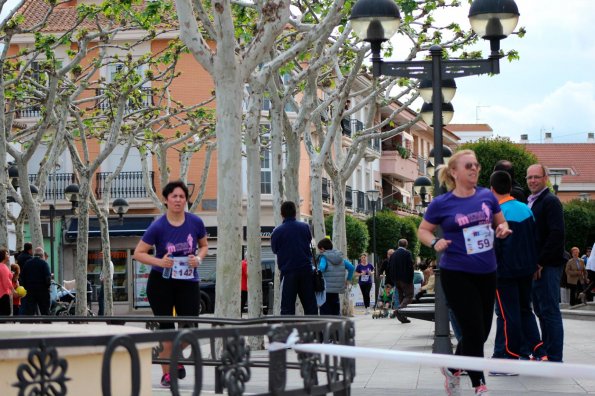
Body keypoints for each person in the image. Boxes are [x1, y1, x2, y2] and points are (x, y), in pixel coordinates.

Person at [418, 149, 512, 396]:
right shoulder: (442, 203)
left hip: (487, 271)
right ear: (454, 172)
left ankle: (453, 366)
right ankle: (479, 383)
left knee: (482, 330)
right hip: (456, 273)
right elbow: (423, 230)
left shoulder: (487, 197)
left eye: (476, 165)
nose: (474, 169)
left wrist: (502, 229)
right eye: (468, 165)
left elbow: (500, 222)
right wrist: (434, 242)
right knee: (472, 329)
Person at [133, 180, 208, 388]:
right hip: (161, 282)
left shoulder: (195, 222)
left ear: (186, 200)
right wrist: (160, 261)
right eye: (174, 196)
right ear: (166, 200)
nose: (178, 200)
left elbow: (204, 246)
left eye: (182, 196)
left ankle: (175, 357)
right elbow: (138, 253)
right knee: (167, 328)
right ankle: (167, 374)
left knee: (190, 328)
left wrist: (198, 259)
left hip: (188, 281)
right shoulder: (158, 225)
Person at [489, 170, 545, 370]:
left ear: (491, 189)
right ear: (510, 188)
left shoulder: (495, 214)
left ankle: (510, 359)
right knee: (525, 310)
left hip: (504, 273)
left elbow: (492, 246)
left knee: (508, 315)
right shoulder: (526, 209)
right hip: (526, 270)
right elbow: (535, 239)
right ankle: (539, 351)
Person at [526, 164, 566, 362]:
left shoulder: (550, 201)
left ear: (545, 178)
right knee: (541, 311)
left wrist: (540, 261)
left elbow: (557, 234)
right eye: (529, 178)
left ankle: (555, 357)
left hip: (548, 266)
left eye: (536, 177)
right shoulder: (532, 201)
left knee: (550, 311)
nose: (532, 181)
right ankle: (547, 353)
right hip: (537, 265)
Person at [270, 201, 318, 315]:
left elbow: (274, 250)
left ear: (282, 214)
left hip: (288, 272)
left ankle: (289, 332)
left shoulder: (277, 232)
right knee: (310, 306)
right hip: (306, 271)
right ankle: (315, 332)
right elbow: (308, 242)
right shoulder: (305, 227)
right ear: (295, 213)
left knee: (287, 307)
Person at [316, 238, 354, 316]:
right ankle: (336, 327)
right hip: (336, 289)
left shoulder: (323, 257)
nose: (319, 251)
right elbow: (351, 267)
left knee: (325, 312)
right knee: (335, 311)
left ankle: (326, 327)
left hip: (326, 289)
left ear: (322, 249)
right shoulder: (340, 258)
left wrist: (317, 270)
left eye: (319, 249)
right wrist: (348, 280)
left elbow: (322, 268)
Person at [20, 247, 52, 315]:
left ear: (34, 255)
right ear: (42, 255)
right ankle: (46, 324)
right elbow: (48, 278)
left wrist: (26, 287)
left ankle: (30, 324)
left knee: (29, 312)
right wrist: (48, 287)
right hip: (43, 291)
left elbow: (22, 277)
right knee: (45, 311)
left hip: (30, 291)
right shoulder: (44, 264)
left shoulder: (27, 263)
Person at [389, 239, 413, 324]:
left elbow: (390, 268)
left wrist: (393, 280)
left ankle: (403, 318)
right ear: (406, 245)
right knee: (409, 295)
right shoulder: (407, 253)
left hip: (396, 280)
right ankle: (398, 311)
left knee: (401, 298)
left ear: (398, 244)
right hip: (405, 280)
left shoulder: (393, 254)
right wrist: (410, 279)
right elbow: (410, 267)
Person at [0, 249, 17, 316]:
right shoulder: (3, 267)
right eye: (7, 254)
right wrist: (13, 290)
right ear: (3, 256)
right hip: (3, 293)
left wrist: (10, 274)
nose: (9, 255)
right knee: (5, 313)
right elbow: (6, 281)